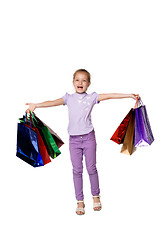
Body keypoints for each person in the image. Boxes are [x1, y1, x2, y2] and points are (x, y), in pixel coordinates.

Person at [26, 69, 139, 215]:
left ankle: (96, 196)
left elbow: (110, 95)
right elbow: (53, 102)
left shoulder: (92, 97)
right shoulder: (68, 98)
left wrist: (128, 95)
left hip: (88, 138)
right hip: (74, 140)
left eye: (84, 80)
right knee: (77, 170)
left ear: (89, 84)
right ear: (73, 82)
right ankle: (79, 201)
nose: (80, 83)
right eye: (77, 80)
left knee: (91, 168)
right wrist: (37, 105)